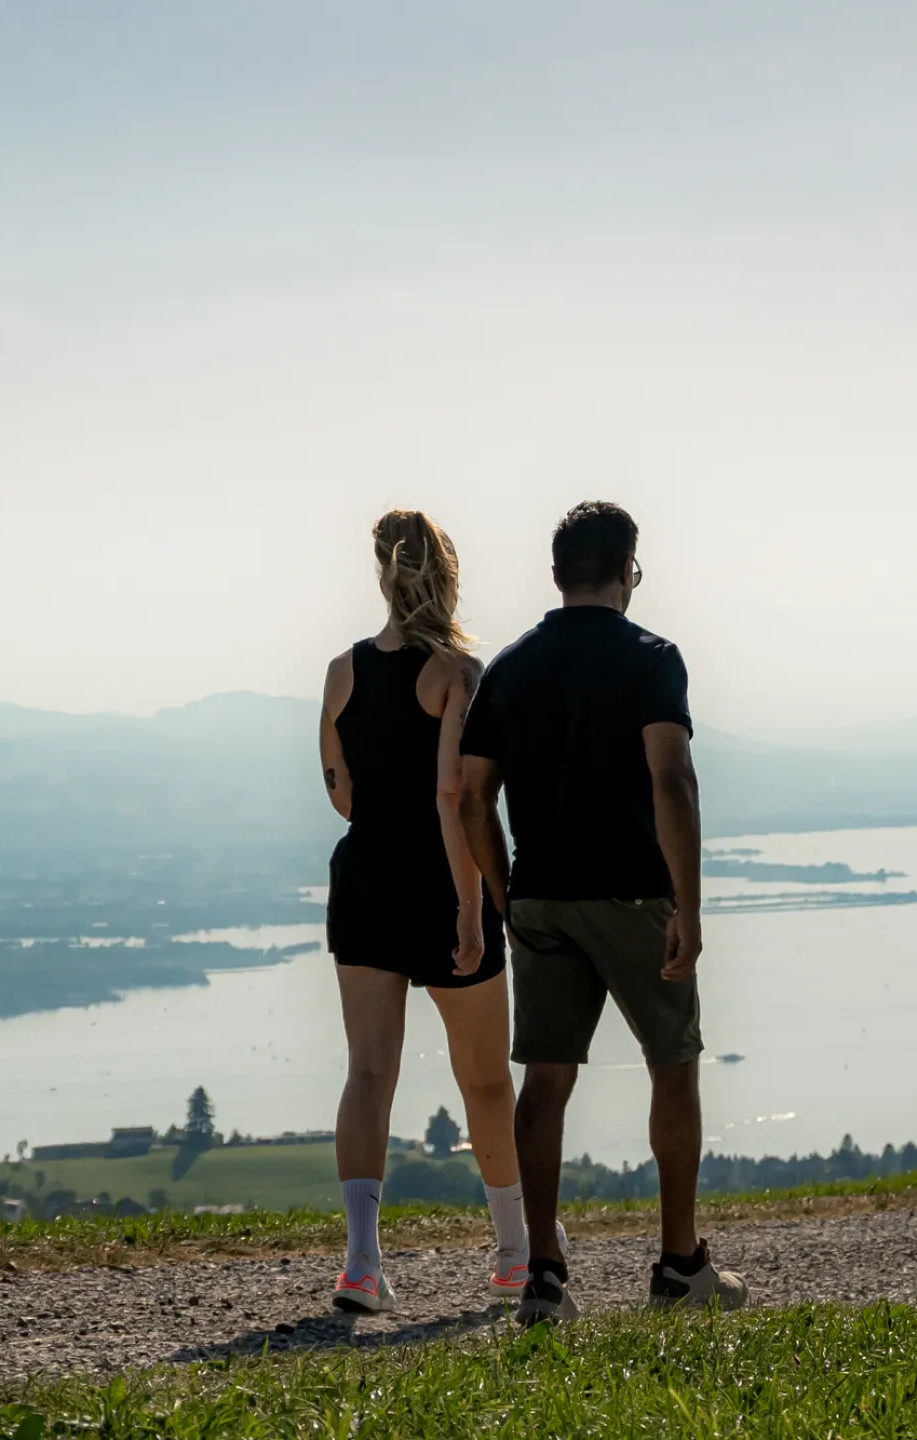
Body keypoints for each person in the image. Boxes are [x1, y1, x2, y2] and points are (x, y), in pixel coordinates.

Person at [459, 501, 748, 1324]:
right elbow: (672, 780)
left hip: (542, 896)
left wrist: (504, 891)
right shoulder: (652, 658)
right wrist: (687, 906)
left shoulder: (510, 666)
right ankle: (680, 1267)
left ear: (556, 574)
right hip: (633, 895)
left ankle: (544, 1276)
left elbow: (473, 798)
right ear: (630, 570)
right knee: (673, 1064)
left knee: (544, 1081)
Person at [317, 509, 533, 1312]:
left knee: (368, 1073)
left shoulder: (341, 670)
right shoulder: (457, 674)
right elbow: (456, 799)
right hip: (442, 889)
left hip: (364, 880)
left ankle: (361, 1266)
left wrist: (377, 814)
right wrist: (472, 914)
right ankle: (514, 1252)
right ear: (447, 574)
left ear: (382, 573)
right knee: (484, 1079)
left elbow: (338, 790)